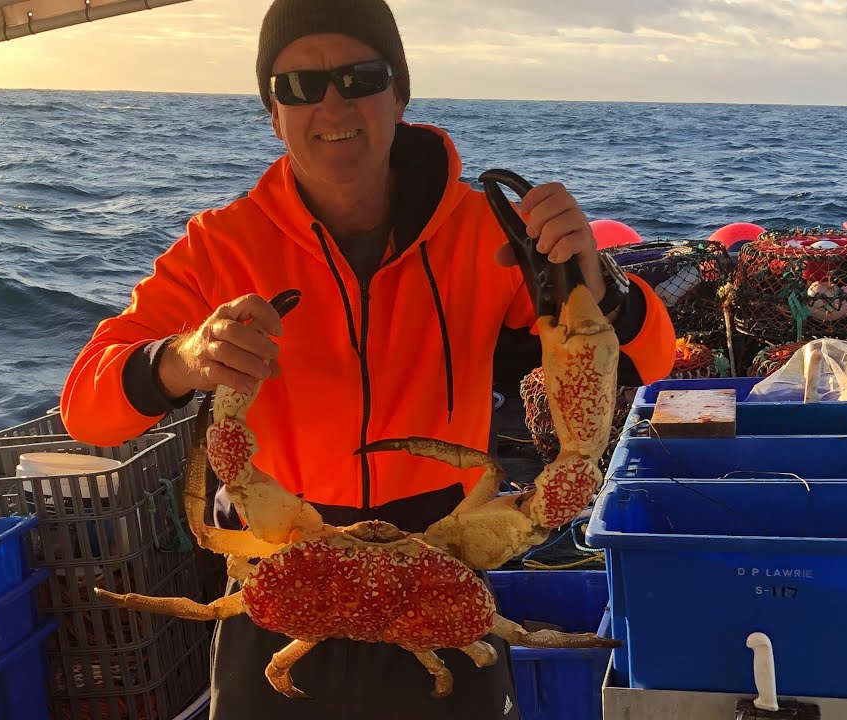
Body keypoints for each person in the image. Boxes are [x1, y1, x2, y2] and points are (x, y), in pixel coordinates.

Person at [60, 1, 676, 717]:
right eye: (299, 85)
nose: (332, 102)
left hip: (443, 561)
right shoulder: (219, 248)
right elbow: (87, 412)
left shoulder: (489, 233)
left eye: (361, 76)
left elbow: (653, 362)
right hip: (284, 572)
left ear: (399, 93)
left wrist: (600, 286)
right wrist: (179, 359)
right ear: (271, 109)